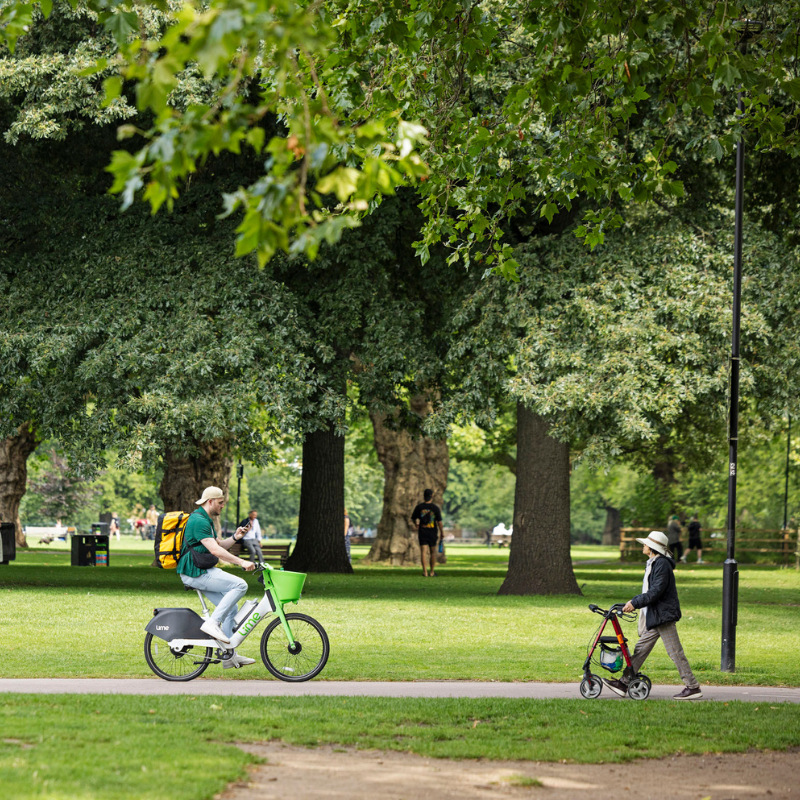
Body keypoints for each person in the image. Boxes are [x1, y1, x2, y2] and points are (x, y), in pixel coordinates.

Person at [603, 531, 702, 700]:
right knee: (641, 649)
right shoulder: (654, 563)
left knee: (675, 652)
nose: (643, 546)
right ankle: (624, 683)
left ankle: (692, 687)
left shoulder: (661, 564)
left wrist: (635, 602)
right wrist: (635, 602)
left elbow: (655, 591)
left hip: (663, 617)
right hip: (656, 615)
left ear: (652, 547)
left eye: (645, 544)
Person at [177, 486, 257, 668]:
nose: (223, 506)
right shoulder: (199, 521)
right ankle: (212, 623)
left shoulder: (205, 519)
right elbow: (215, 551)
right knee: (240, 585)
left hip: (200, 570)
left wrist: (236, 537)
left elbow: (219, 545)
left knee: (231, 608)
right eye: (220, 502)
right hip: (196, 572)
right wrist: (241, 562)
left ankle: (228, 655)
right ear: (210, 501)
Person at [411, 488, 443, 577]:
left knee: (423, 552)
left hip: (422, 532)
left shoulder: (419, 507)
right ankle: (432, 572)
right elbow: (439, 522)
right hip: (432, 533)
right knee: (432, 552)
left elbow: (413, 518)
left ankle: (425, 572)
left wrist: (416, 524)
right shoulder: (435, 508)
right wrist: (442, 532)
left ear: (424, 496)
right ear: (431, 496)